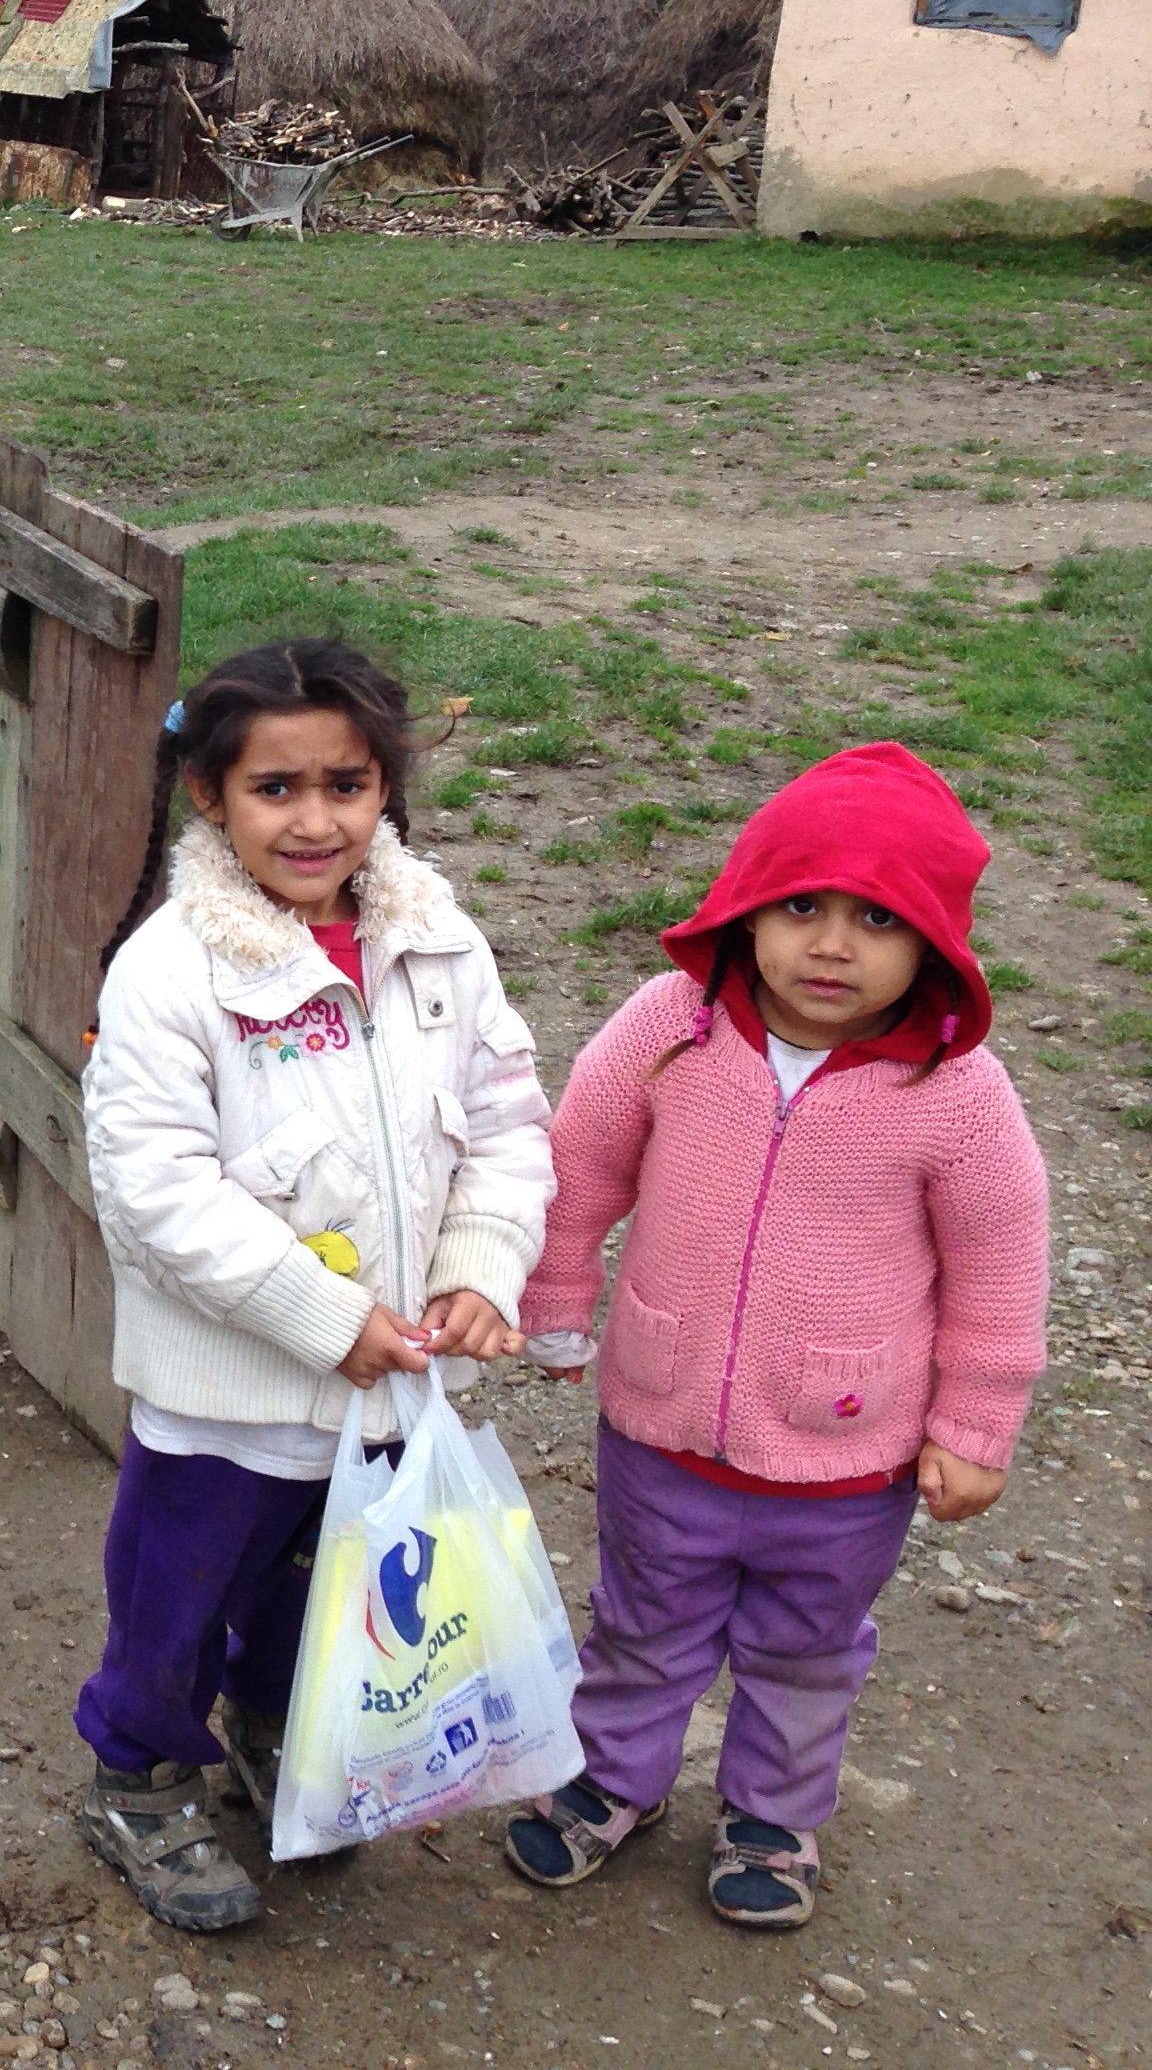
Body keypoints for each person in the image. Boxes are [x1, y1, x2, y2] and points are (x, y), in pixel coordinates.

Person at [507, 742, 1046, 1929]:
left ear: (936, 944)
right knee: (642, 1621)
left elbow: (999, 1267)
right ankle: (615, 1775)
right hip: (660, 1425)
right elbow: (581, 1164)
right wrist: (555, 1298)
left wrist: (975, 1425)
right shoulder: (671, 1025)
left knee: (807, 1650)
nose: (833, 946)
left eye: (879, 919)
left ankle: (772, 1813)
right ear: (746, 910)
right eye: (802, 907)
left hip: (847, 1462)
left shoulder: (955, 1091)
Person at [75, 639, 553, 1930]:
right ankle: (138, 1776)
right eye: (275, 788)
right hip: (227, 1403)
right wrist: (325, 1320)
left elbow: (506, 1122)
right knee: (177, 1598)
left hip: (388, 1393)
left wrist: (479, 1265)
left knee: (331, 1588)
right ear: (209, 794)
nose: (315, 821)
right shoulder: (173, 971)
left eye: (347, 785)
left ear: (384, 787)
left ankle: (280, 1722)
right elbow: (156, 1189)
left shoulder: (437, 941)